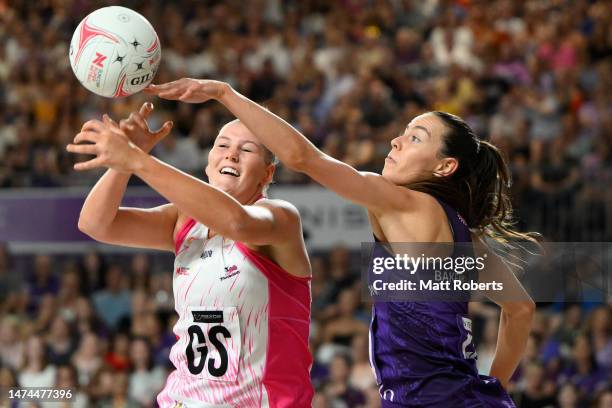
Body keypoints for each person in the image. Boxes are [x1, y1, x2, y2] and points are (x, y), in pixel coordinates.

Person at [145, 78, 537, 407]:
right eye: (402, 132)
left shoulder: (399, 201)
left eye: (416, 138)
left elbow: (302, 158)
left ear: (444, 166)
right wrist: (495, 387)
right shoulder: (463, 234)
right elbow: (520, 309)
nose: (397, 142)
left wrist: (224, 94)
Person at [67, 102, 313, 407]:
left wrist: (138, 160)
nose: (231, 154)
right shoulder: (183, 221)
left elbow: (236, 222)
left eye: (246, 149)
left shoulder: (280, 217)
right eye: (222, 145)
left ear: (267, 173)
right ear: (208, 163)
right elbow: (95, 224)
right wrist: (123, 163)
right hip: (183, 399)